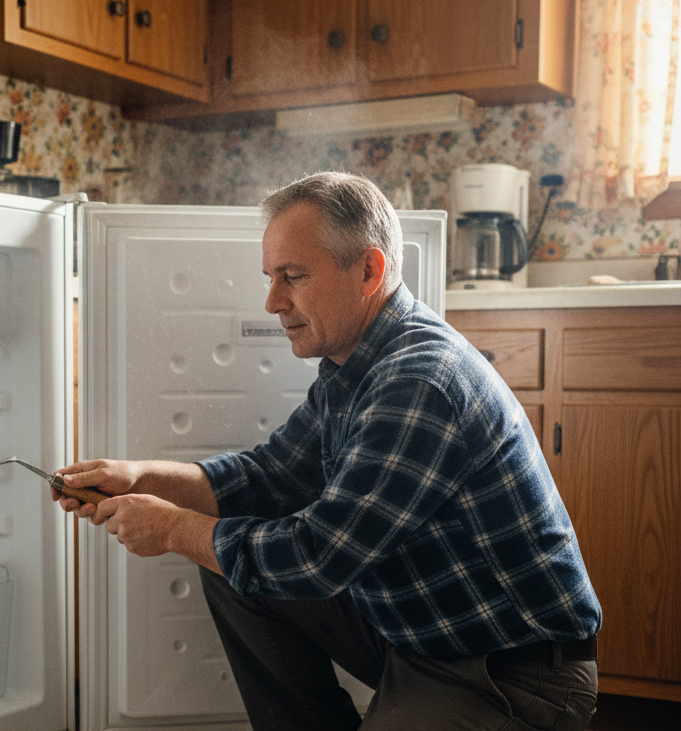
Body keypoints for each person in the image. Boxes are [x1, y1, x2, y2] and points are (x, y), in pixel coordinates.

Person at [54, 171, 601, 731]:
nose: (272, 301)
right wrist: (141, 477)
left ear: (369, 270)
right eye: (271, 278)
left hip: (512, 674)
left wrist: (172, 529)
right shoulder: (353, 365)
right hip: (421, 636)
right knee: (228, 561)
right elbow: (268, 477)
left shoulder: (419, 382)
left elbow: (318, 557)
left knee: (222, 547)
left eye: (292, 276)